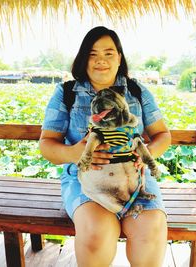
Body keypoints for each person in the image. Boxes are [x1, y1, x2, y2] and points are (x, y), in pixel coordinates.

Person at [39, 26, 171, 267]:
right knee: (97, 233)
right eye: (92, 53)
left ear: (119, 58)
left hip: (136, 181)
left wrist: (148, 153)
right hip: (85, 182)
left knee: (151, 229)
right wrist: (73, 153)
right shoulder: (67, 93)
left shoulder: (137, 91)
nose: (101, 60)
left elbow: (163, 135)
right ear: (83, 58)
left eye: (109, 53)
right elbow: (47, 145)